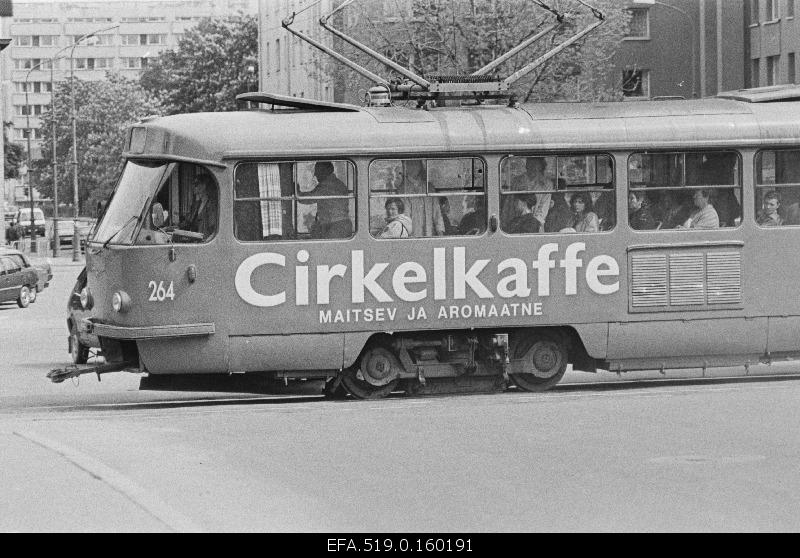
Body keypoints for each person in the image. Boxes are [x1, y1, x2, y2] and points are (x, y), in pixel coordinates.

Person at [304, 162, 352, 239]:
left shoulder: (326, 185)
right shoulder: (337, 183)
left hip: (335, 226)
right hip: (340, 225)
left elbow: (307, 199)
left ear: (323, 171)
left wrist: (297, 192)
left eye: (317, 172)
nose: (316, 175)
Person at [180, 174, 218, 238]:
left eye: (196, 184)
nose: (193, 187)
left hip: (205, 241)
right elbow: (188, 222)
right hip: (195, 239)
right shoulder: (196, 204)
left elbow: (213, 227)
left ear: (204, 186)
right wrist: (173, 228)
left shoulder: (211, 204)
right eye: (193, 184)